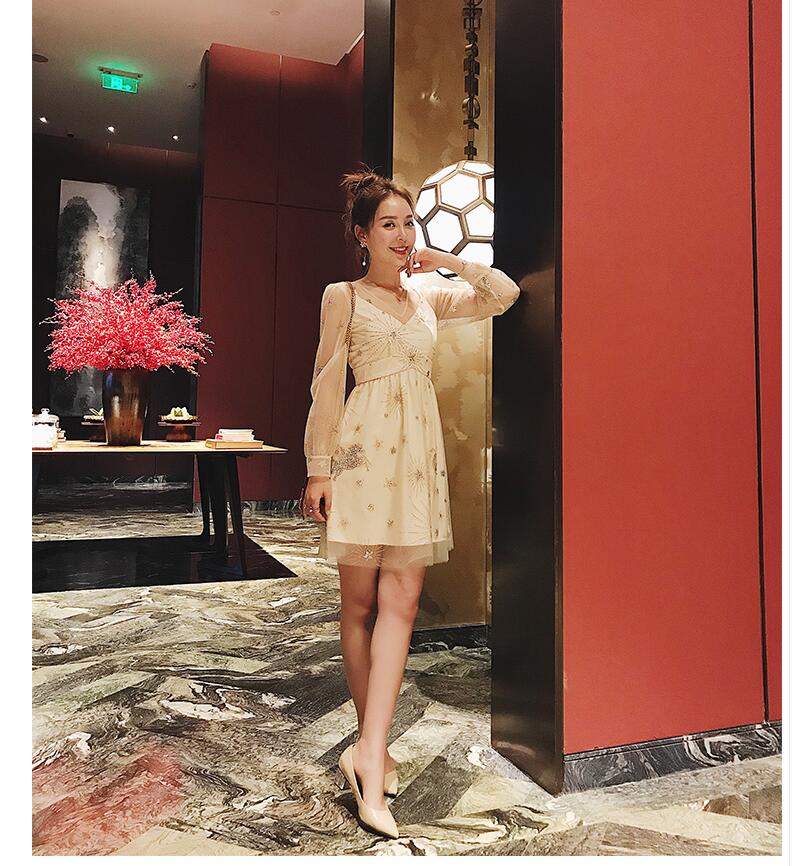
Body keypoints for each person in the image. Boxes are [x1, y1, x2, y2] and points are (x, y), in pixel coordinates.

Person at [301, 167, 520, 838]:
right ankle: (372, 745)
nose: (401, 235)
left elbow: (503, 294)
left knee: (401, 604)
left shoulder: (429, 295)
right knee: (359, 605)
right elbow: (325, 384)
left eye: (408, 223)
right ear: (361, 234)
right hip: (361, 459)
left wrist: (446, 259)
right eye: (388, 224)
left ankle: (368, 753)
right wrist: (318, 470)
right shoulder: (343, 296)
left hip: (418, 463)